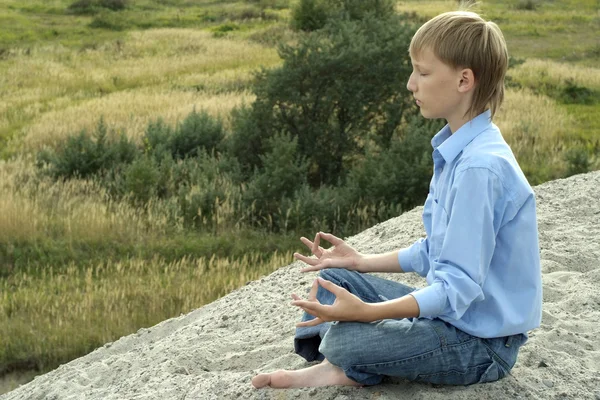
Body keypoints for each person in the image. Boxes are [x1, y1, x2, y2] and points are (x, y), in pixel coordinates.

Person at [252, 9, 542, 390]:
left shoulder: (479, 169)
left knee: (345, 337)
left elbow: (456, 288)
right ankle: (342, 361)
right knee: (333, 278)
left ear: (464, 80)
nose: (410, 84)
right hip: (452, 319)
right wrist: (360, 262)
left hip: (482, 344)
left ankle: (341, 362)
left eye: (422, 72)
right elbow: (434, 251)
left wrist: (369, 312)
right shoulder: (459, 150)